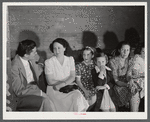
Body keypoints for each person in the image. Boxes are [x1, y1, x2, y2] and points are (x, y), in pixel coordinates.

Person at [45, 38, 89, 112]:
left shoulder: (70, 59)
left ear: (64, 48)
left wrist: (63, 84)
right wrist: (63, 83)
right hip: (54, 90)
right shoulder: (49, 62)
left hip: (68, 88)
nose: (57, 51)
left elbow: (72, 76)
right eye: (54, 48)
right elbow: (50, 81)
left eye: (59, 48)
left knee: (77, 96)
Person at [11, 39, 55, 111]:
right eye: (34, 52)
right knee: (46, 101)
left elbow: (39, 65)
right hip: (22, 95)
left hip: (35, 87)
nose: (36, 53)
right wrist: (40, 93)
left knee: (51, 100)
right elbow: (19, 91)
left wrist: (41, 64)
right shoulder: (14, 66)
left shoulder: (30, 57)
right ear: (26, 55)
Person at [108, 41, 132, 110]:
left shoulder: (129, 60)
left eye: (127, 50)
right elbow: (116, 81)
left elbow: (128, 75)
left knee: (135, 87)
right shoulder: (113, 61)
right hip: (115, 83)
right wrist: (127, 85)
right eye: (123, 50)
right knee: (121, 90)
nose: (125, 52)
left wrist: (130, 80)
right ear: (119, 50)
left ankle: (134, 112)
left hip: (125, 81)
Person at [127, 42, 145, 112]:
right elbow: (134, 74)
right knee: (134, 90)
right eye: (143, 51)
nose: (145, 54)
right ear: (140, 51)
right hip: (137, 82)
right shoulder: (137, 58)